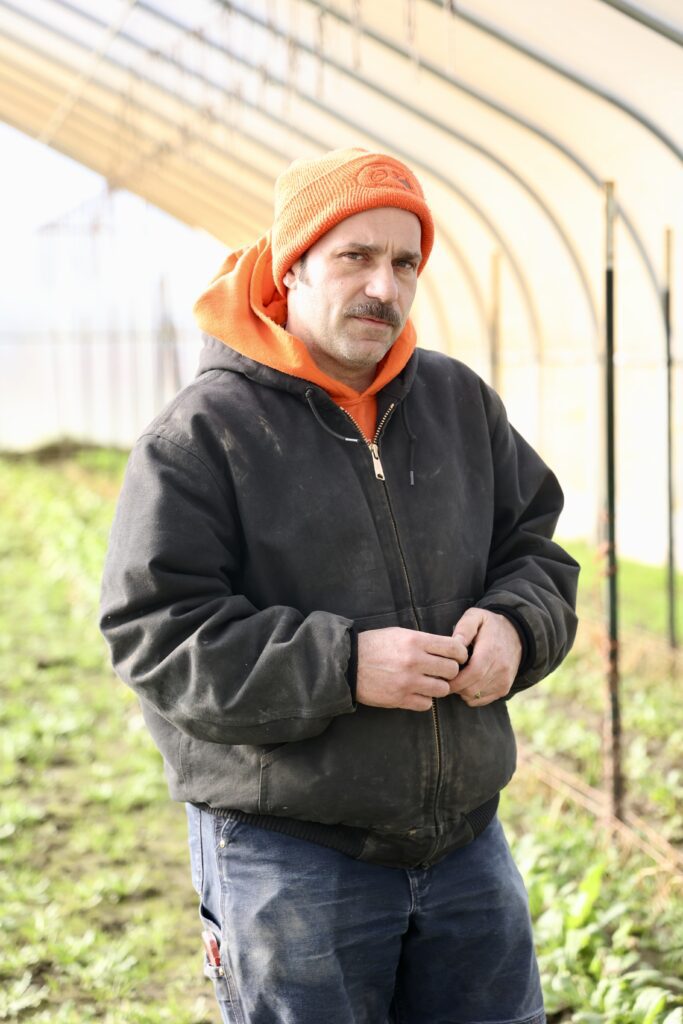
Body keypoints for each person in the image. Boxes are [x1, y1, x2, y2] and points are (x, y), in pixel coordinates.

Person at [100, 147, 578, 1024]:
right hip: (289, 854)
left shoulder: (457, 403)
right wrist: (342, 665)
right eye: (353, 256)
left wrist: (516, 624)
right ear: (292, 267)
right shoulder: (203, 435)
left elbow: (536, 549)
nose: (383, 288)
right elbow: (156, 636)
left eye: (404, 262)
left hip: (465, 841)